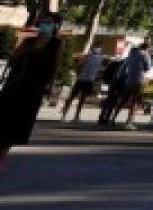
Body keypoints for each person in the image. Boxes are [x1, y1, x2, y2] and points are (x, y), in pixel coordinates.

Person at [0, 12, 66, 167]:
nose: (44, 24)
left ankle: (2, 157)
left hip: (33, 91)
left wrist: (50, 86)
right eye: (43, 21)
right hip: (14, 86)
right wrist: (22, 49)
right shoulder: (28, 41)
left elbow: (55, 66)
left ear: (56, 25)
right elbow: (13, 60)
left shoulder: (57, 44)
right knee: (2, 122)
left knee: (16, 129)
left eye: (48, 22)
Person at [61, 46, 105, 122]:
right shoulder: (99, 59)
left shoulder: (87, 57)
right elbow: (98, 70)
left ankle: (65, 115)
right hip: (88, 80)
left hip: (82, 79)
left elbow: (79, 66)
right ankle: (75, 116)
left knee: (72, 97)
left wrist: (79, 73)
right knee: (81, 99)